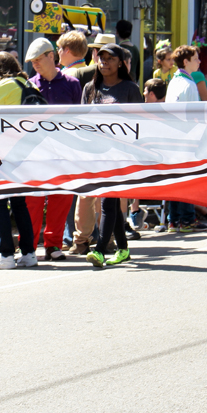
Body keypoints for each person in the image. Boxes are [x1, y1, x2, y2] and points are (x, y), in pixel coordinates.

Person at [80, 43, 143, 268]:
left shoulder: (129, 89)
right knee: (112, 201)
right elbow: (82, 121)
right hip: (97, 153)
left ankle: (99, 251)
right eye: (101, 57)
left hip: (121, 154)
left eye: (110, 58)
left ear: (120, 63)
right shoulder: (90, 87)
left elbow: (140, 122)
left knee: (108, 199)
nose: (104, 61)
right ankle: (123, 248)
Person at [23, 37, 80, 260]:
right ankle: (28, 246)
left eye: (39, 59)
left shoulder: (72, 84)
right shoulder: (28, 85)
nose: (35, 64)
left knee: (61, 198)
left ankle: (54, 245)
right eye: (32, 61)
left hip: (63, 150)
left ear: (51, 56)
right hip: (35, 152)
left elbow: (78, 119)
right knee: (32, 201)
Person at [0, 52, 38, 270]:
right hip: (26, 152)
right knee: (19, 203)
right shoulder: (30, 84)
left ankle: (6, 253)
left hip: (5, 150)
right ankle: (29, 252)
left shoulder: (2, 86)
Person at [163, 45, 207, 234]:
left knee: (176, 179)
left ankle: (173, 220)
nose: (199, 61)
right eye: (196, 58)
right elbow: (193, 116)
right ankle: (187, 219)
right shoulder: (189, 85)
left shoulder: (175, 81)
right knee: (188, 179)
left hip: (173, 135)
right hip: (186, 136)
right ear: (186, 62)